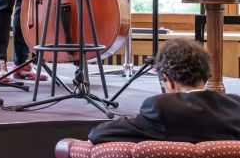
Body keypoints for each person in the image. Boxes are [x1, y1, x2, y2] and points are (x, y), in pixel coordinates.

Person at [88, 38, 240, 144]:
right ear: (207, 77)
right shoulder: (235, 105)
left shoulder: (161, 109)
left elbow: (98, 134)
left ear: (169, 80)